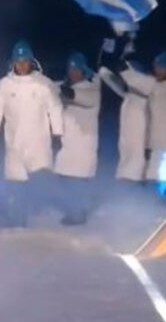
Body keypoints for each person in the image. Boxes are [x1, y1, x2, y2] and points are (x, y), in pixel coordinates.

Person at [0, 40, 64, 228]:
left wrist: (57, 133)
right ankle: (17, 221)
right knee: (15, 183)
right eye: (18, 61)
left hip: (38, 143)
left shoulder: (43, 84)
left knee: (41, 179)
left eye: (25, 61)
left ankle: (44, 204)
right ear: (13, 62)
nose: (21, 65)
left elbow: (55, 109)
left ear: (31, 62)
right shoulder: (5, 85)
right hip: (14, 144)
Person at [103, 47, 166, 185]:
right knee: (154, 183)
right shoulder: (158, 86)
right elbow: (139, 82)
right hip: (157, 147)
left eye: (160, 68)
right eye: (155, 67)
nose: (157, 71)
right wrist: (124, 70)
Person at [54, 52, 102, 225]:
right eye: (71, 69)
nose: (73, 73)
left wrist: (65, 91)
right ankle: (74, 211)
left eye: (76, 69)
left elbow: (82, 97)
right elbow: (52, 87)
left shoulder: (91, 88)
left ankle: (78, 215)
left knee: (77, 182)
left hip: (83, 145)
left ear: (83, 70)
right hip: (68, 145)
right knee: (65, 179)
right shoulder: (67, 87)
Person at [99, 58, 148, 183]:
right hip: (126, 164)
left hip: (140, 167)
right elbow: (113, 82)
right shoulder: (129, 97)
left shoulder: (145, 100)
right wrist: (105, 72)